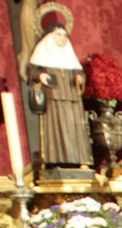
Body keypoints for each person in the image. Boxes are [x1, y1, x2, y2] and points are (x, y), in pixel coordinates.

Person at [24, 14, 89, 171]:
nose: (62, 38)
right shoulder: (42, 52)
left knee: (74, 129)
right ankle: (54, 160)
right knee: (55, 129)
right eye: (58, 35)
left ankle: (79, 159)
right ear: (51, 36)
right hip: (53, 99)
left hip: (71, 99)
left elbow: (79, 73)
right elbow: (31, 70)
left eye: (64, 35)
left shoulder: (69, 54)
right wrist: (41, 75)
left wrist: (80, 78)